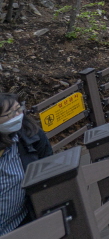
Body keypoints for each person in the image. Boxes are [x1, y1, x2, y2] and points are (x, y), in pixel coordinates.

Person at [0, 94, 52, 233]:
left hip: (20, 222)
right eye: (10, 113)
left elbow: (48, 167)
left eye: (19, 109)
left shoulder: (32, 136)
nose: (18, 115)